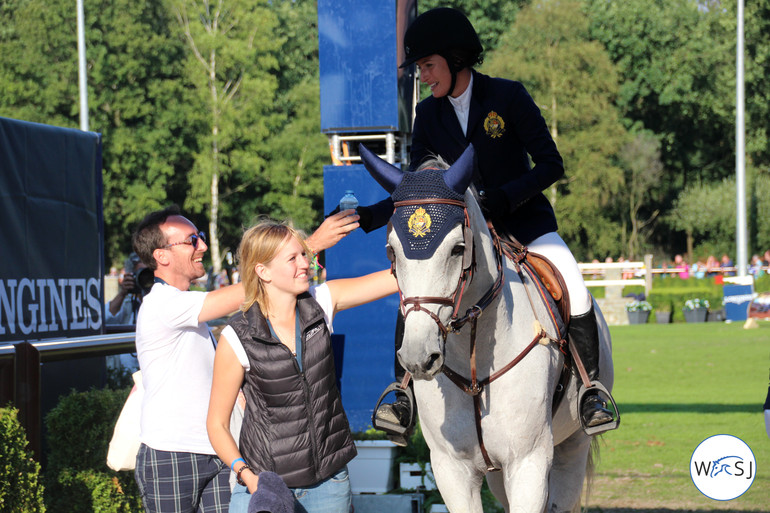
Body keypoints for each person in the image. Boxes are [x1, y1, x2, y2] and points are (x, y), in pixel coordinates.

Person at [360, 7, 615, 441]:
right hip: (460, 233)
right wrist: (370, 217)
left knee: (572, 282)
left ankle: (591, 391)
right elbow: (420, 187)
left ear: (455, 59)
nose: (423, 77)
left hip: (523, 224)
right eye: (419, 68)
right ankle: (402, 395)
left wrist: (502, 197)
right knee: (418, 294)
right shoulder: (428, 115)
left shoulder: (508, 97)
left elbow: (551, 164)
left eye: (427, 65)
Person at [131, 206, 360, 513]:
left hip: (220, 451)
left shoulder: (188, 306)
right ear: (162, 256)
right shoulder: (161, 305)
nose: (202, 246)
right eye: (192, 239)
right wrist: (308, 246)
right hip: (173, 453)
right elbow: (257, 289)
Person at [206, 221, 398, 513]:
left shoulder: (322, 303)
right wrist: (248, 476)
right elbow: (216, 424)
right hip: (266, 487)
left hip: (329, 484)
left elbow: (396, 278)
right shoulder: (237, 336)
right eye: (292, 258)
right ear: (263, 271)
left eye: (303, 255)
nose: (305, 264)